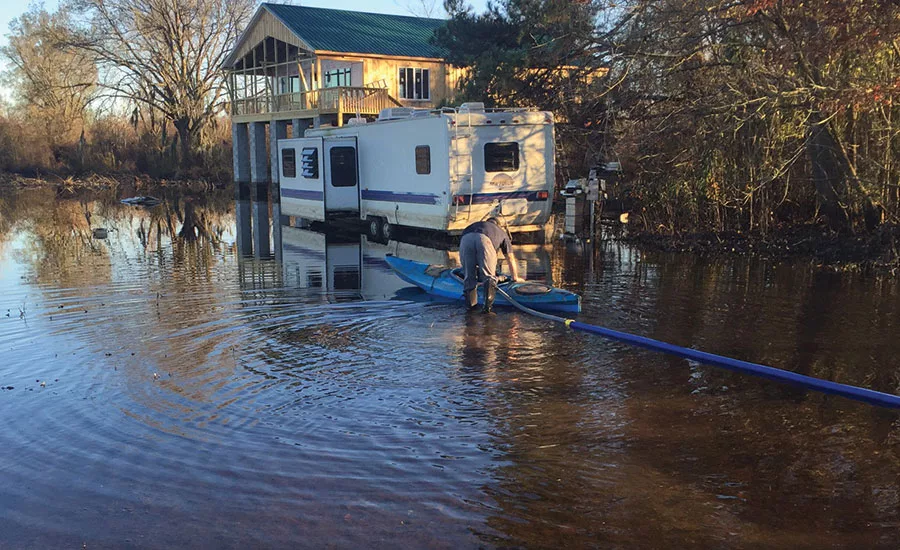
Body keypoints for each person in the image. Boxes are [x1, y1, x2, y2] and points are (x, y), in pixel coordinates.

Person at [459, 217, 522, 313]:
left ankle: (470, 309)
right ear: (498, 225)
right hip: (485, 240)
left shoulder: (475, 224)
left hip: (465, 239)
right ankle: (487, 310)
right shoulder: (501, 232)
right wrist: (515, 278)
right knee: (489, 277)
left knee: (469, 276)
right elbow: (510, 258)